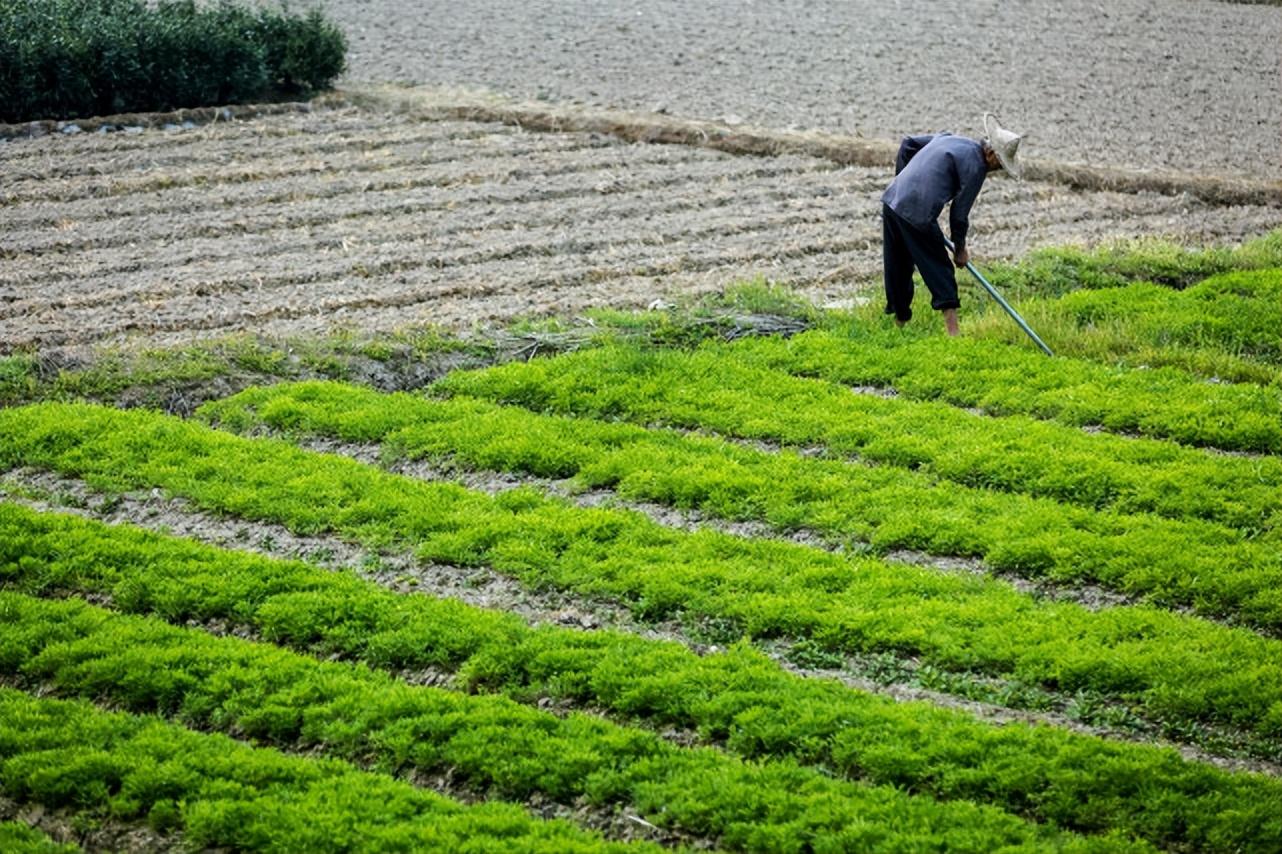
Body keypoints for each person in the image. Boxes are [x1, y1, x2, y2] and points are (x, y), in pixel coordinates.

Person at [880, 114, 1024, 336]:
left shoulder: (949, 138)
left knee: (898, 263)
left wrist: (902, 181)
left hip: (892, 200)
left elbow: (908, 144)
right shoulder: (977, 166)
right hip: (917, 212)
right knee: (940, 267)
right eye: (1001, 163)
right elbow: (959, 214)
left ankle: (899, 325)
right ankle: (953, 333)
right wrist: (960, 250)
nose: (999, 169)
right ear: (991, 153)